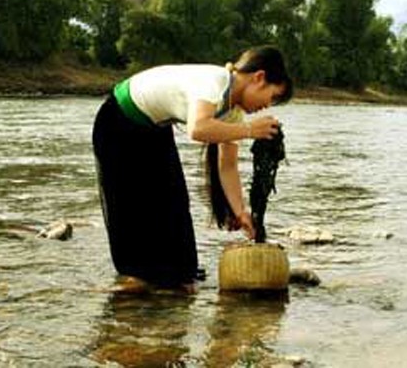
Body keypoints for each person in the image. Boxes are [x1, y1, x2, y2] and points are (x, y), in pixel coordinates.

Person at [92, 45, 293, 290]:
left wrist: (240, 211)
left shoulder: (232, 113)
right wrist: (252, 130)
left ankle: (177, 275)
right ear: (259, 78)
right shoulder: (215, 81)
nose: (267, 106)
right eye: (271, 97)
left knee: (174, 202)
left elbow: (227, 166)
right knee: (131, 207)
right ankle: (135, 282)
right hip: (118, 122)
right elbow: (198, 129)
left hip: (154, 129)